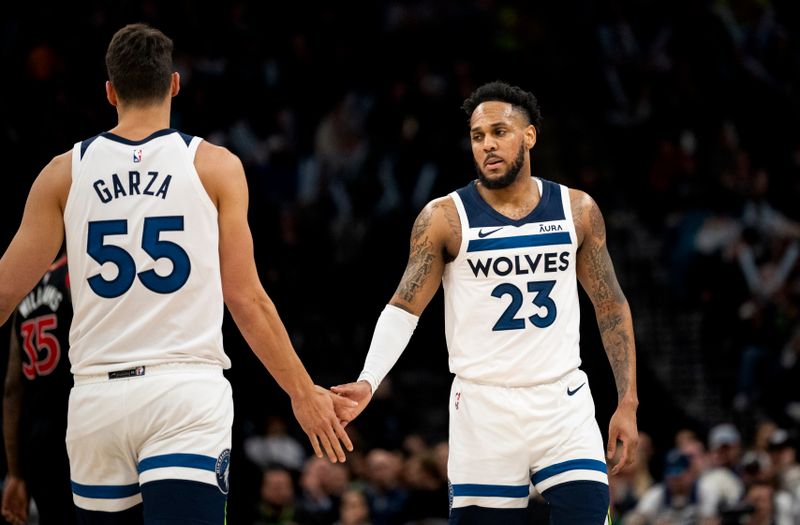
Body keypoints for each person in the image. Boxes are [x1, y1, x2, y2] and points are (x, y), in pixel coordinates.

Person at [0, 23, 353, 524]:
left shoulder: (63, 172)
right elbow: (247, 299)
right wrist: (302, 391)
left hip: (96, 396)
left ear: (110, 92)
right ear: (174, 85)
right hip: (183, 392)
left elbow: (5, 291)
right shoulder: (215, 166)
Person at [332, 80, 639, 524]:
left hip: (562, 401)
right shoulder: (445, 218)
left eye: (499, 132)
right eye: (478, 136)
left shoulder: (577, 210)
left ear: (529, 136)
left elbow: (610, 306)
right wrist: (368, 380)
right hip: (483, 409)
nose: (488, 145)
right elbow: (403, 307)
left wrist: (626, 402)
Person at [2, 250, 76, 525]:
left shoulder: (26, 289)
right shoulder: (80, 274)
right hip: (79, 429)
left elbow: (12, 387)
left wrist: (15, 473)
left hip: (38, 442)